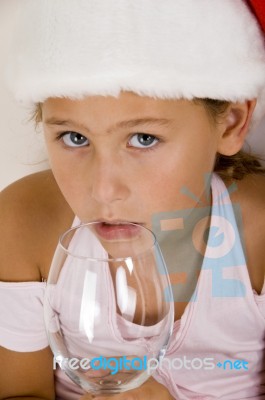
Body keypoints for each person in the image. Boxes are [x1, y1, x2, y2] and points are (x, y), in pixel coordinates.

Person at [1, 0, 265, 399]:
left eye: (144, 139)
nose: (103, 190)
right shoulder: (23, 223)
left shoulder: (258, 235)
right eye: (75, 138)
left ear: (230, 122)